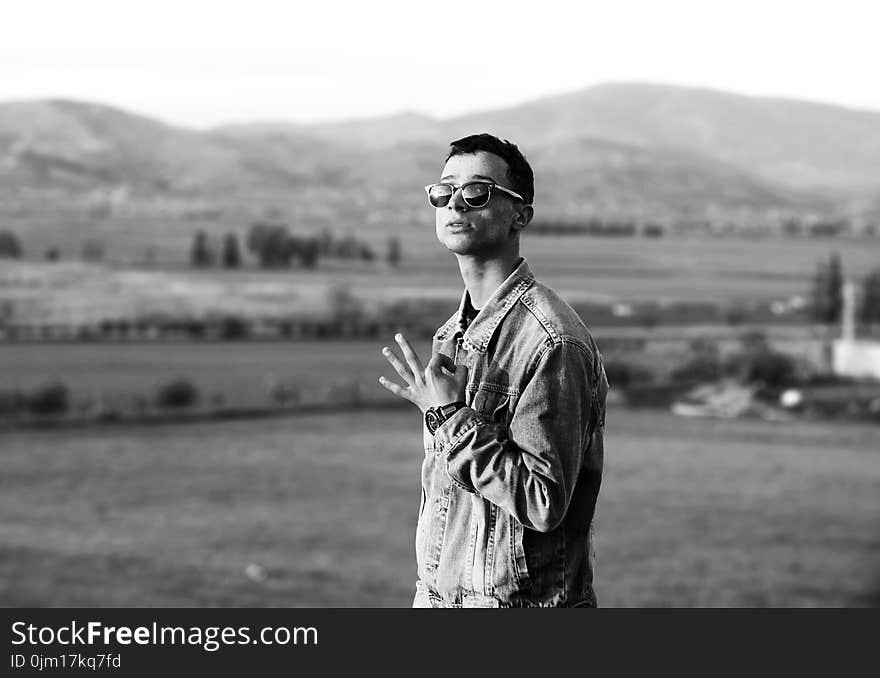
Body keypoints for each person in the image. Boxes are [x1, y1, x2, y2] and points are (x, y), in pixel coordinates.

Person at [378, 133, 608, 608]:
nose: (455, 203)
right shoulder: (452, 336)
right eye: (443, 191)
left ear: (520, 214)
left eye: (477, 191)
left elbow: (543, 503)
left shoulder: (551, 341)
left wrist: (450, 417)